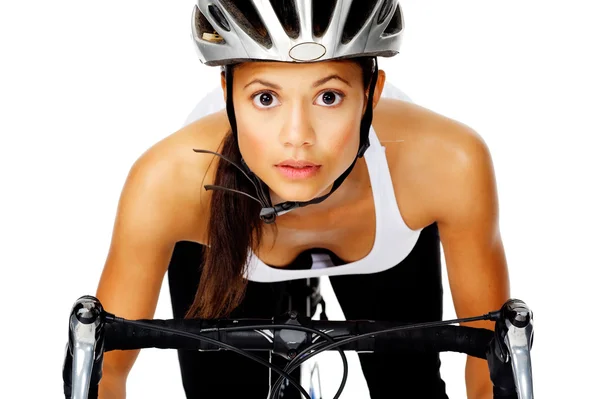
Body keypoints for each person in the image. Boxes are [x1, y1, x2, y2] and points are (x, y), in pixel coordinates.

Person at [96, 1, 510, 398]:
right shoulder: (170, 179)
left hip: (390, 237)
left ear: (371, 94)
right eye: (265, 98)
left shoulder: (447, 162)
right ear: (227, 95)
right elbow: (106, 370)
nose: (297, 136)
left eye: (329, 97)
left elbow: (490, 362)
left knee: (408, 387)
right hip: (222, 235)